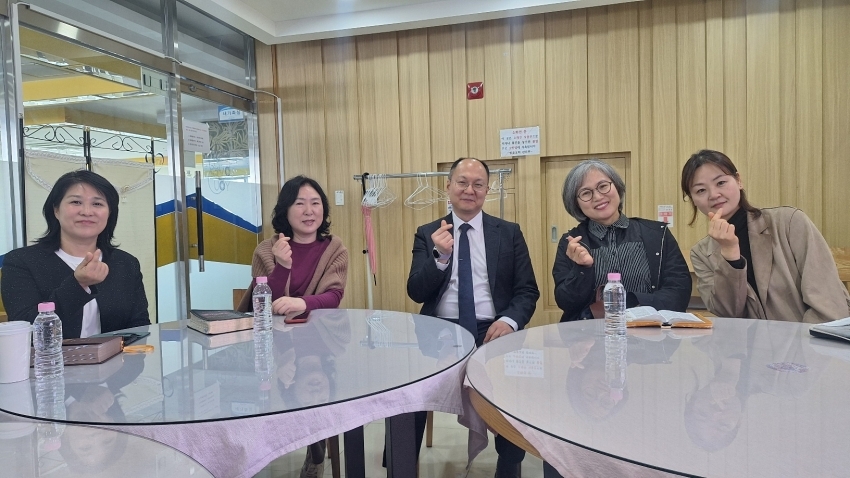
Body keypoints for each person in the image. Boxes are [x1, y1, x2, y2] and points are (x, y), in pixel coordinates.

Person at [406, 157, 539, 478]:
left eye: (478, 184)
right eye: (462, 182)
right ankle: (401, 465)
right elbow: (416, 291)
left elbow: (527, 291)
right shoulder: (428, 233)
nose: (469, 190)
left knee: (515, 387)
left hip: (492, 329)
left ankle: (509, 466)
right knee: (407, 390)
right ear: (448, 186)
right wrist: (440, 256)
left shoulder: (508, 233)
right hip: (439, 331)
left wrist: (509, 321)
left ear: (487, 190)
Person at [238, 175, 348, 478]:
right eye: (300, 204)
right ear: (286, 210)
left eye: (315, 203)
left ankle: (316, 447)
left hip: (321, 338)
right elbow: (264, 303)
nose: (309, 211)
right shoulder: (266, 249)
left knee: (316, 388)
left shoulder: (334, 247)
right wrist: (282, 267)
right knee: (275, 387)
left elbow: (334, 296)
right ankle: (274, 449)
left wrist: (301, 302)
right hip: (275, 342)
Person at [680, 149, 850, 323]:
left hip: (809, 336)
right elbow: (729, 312)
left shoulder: (789, 222)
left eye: (721, 182)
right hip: (747, 341)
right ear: (693, 199)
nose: (714, 194)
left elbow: (827, 301)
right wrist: (730, 256)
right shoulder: (701, 253)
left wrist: (804, 339)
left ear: (738, 180)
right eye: (701, 190)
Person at [1, 170, 149, 338]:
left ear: (110, 213)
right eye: (76, 202)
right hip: (51, 356)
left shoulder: (126, 263)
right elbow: (25, 329)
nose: (87, 211)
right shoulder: (21, 261)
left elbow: (140, 327)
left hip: (119, 356)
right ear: (56, 210)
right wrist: (78, 284)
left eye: (97, 204)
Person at [553, 159, 691, 322]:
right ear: (576, 203)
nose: (597, 196)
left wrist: (631, 302)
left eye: (603, 186)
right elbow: (566, 302)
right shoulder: (572, 243)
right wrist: (582, 269)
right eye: (586, 193)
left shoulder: (657, 234)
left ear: (617, 187)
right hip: (589, 335)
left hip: (650, 332)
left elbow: (679, 292)